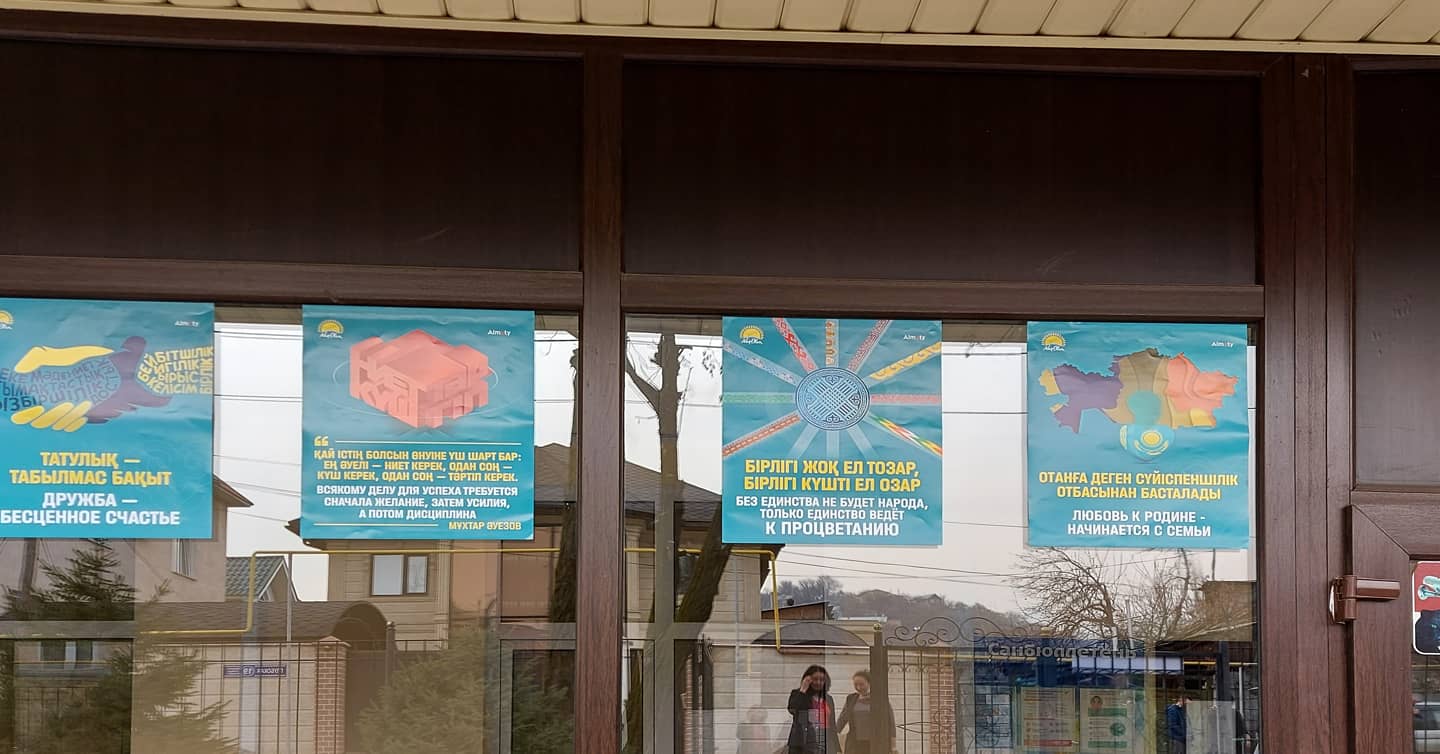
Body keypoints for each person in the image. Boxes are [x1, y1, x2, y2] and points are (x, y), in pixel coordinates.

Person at [836, 670, 896, 754]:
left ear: (869, 683)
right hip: (855, 744)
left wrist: (893, 746)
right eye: (856, 685)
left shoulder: (880, 699)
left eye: (861, 684)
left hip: (876, 743)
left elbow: (891, 723)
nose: (858, 687)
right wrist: (832, 736)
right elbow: (842, 719)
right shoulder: (851, 699)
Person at [787, 665, 840, 754]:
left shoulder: (828, 698)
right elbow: (792, 709)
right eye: (815, 679)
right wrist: (803, 689)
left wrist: (836, 747)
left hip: (825, 741)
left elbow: (832, 724)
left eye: (822, 679)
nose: (818, 682)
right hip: (803, 743)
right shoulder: (798, 694)